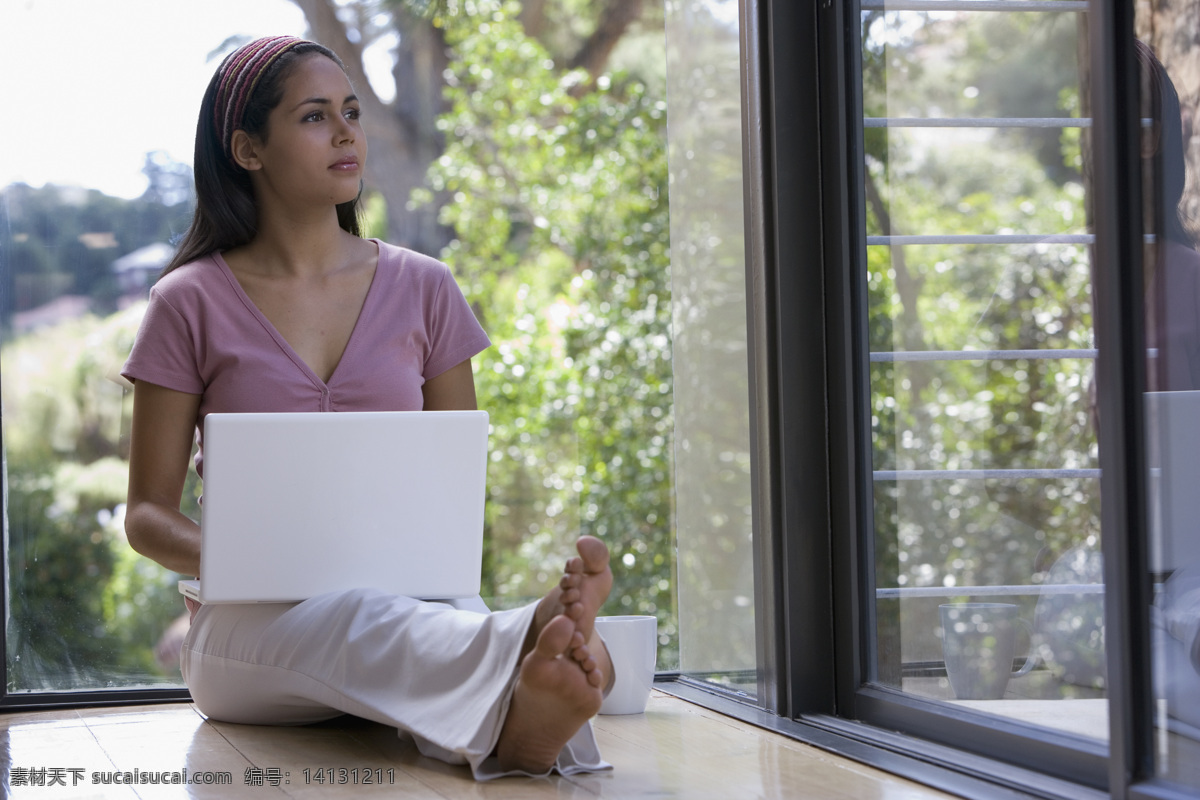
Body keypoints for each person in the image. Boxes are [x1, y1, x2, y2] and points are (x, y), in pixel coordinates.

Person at [121, 35, 615, 779]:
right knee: (366, 620)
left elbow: (452, 487)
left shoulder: (427, 288)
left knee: (445, 626)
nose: (349, 131)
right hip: (247, 629)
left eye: (350, 111)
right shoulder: (186, 302)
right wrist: (252, 555)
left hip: (408, 598)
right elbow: (146, 516)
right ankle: (520, 658)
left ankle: (520, 731)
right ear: (248, 149)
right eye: (315, 116)